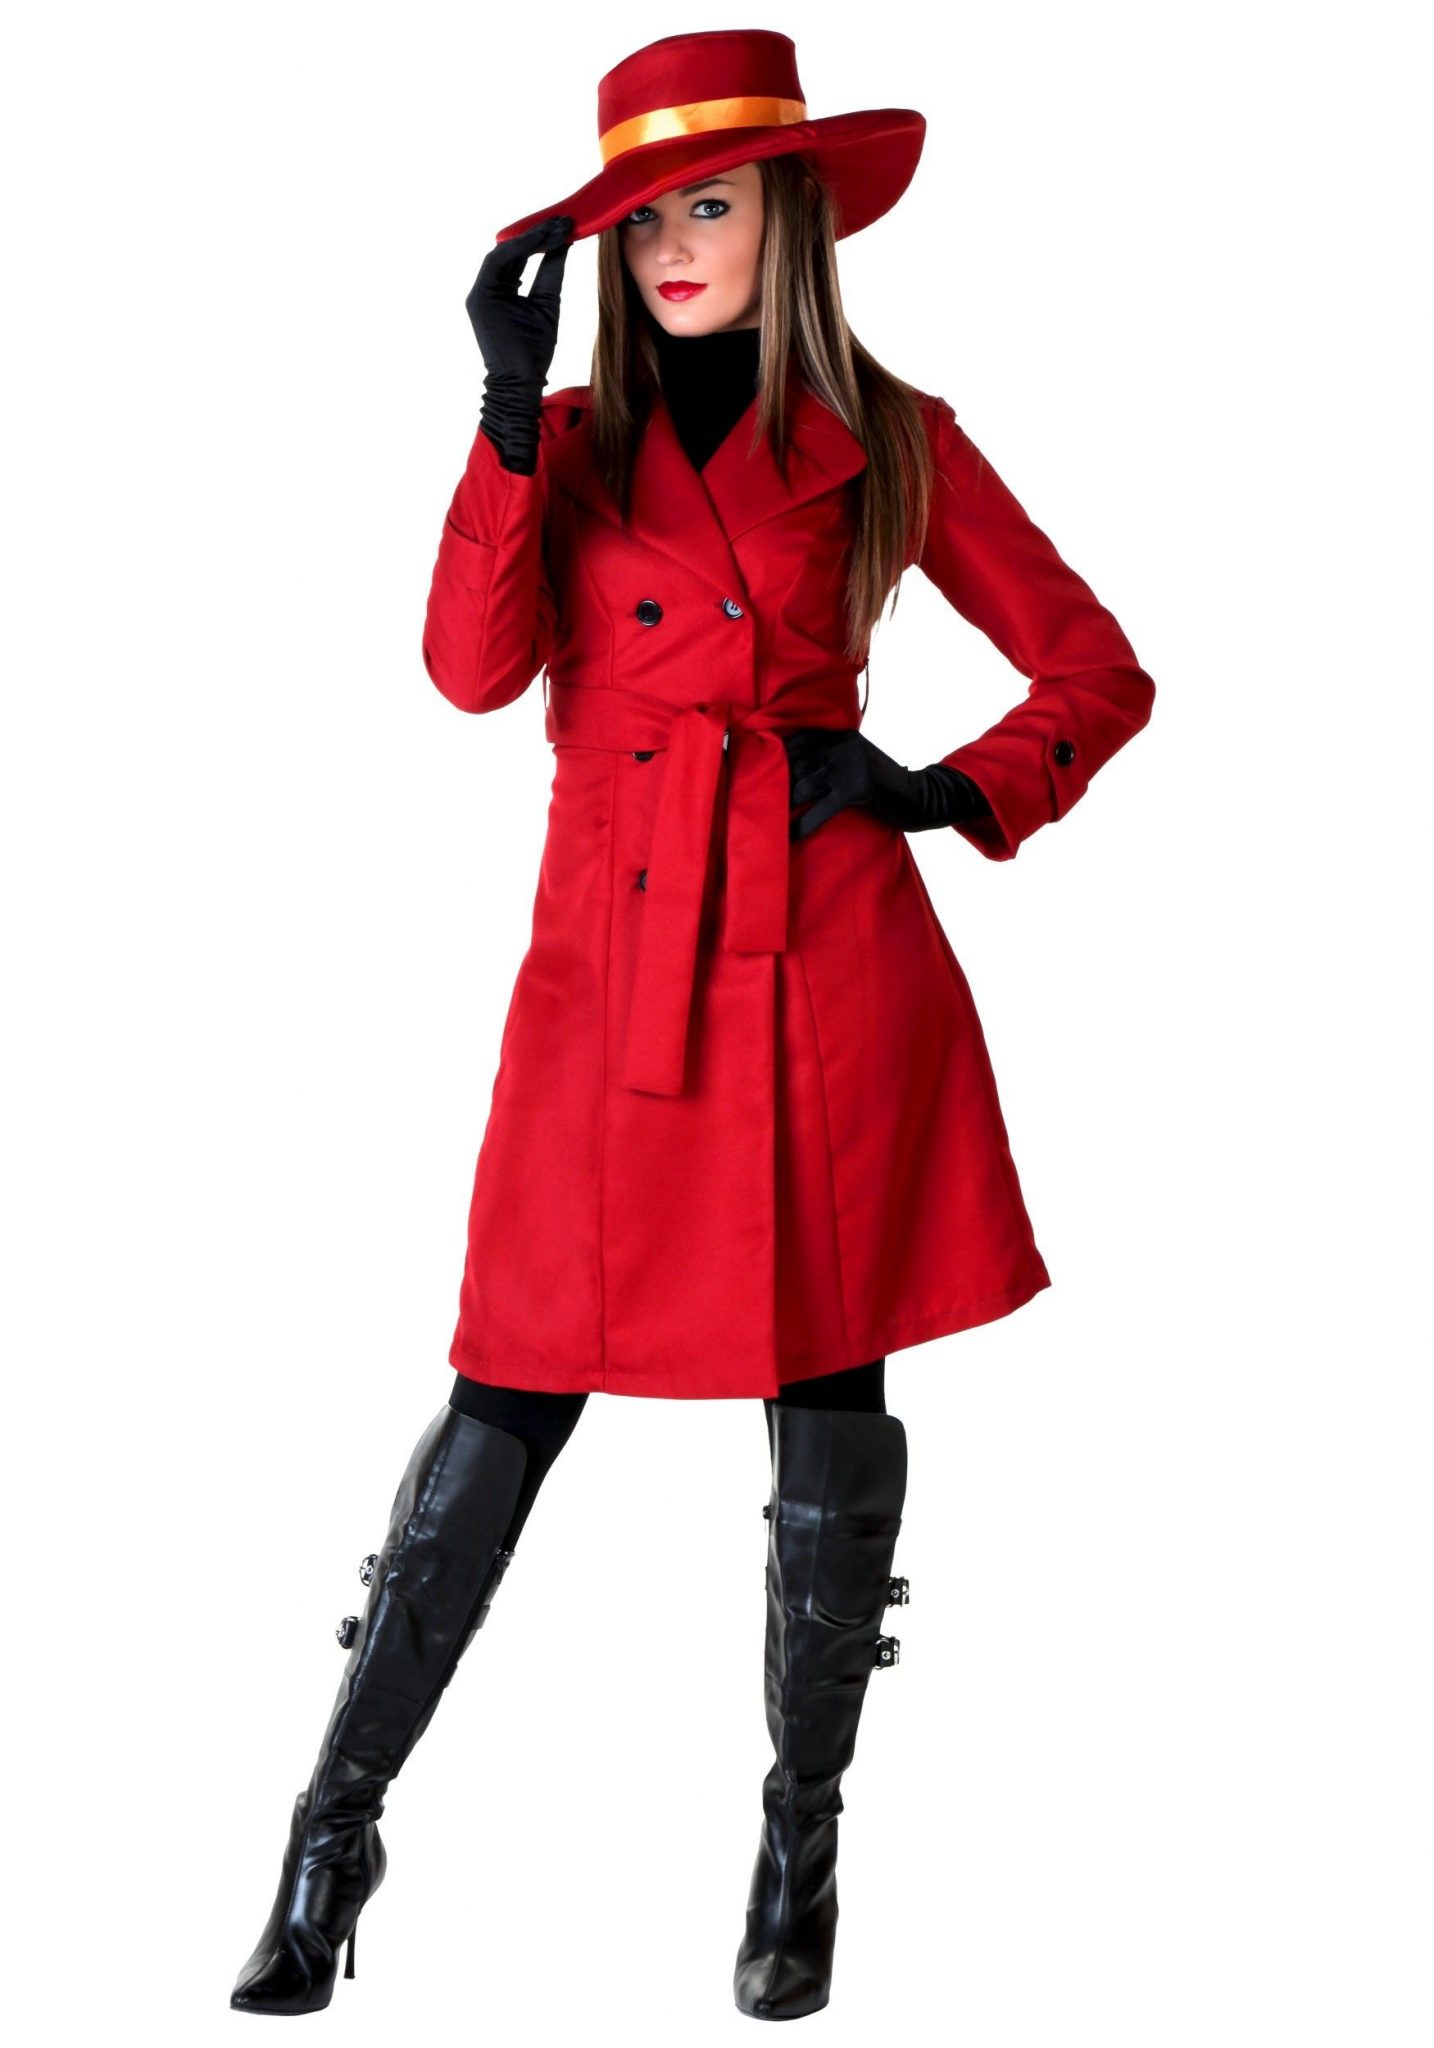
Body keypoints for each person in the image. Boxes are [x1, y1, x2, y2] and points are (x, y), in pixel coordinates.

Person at [229, 28, 1155, 2023]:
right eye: (639, 216)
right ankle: (331, 1832)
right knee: (505, 1389)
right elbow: (468, 673)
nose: (666, 245)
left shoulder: (890, 434)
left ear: (788, 217)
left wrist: (939, 788)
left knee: (827, 1397)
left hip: (825, 969)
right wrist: (498, 412)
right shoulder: (561, 441)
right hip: (611, 966)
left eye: (707, 204)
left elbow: (1096, 668)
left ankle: (799, 1847)